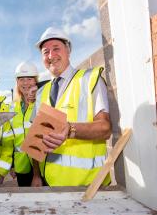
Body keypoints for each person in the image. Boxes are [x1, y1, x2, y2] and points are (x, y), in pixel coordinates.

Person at [31, 27, 111, 187]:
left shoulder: (89, 80)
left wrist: (70, 129)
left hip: (90, 184)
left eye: (56, 49)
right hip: (50, 181)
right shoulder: (42, 92)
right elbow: (36, 139)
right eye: (46, 52)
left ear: (68, 51)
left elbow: (105, 128)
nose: (51, 56)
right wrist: (36, 176)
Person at [4, 62, 38, 186]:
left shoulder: (43, 101)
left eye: (29, 79)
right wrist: (12, 165)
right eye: (22, 79)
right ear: (17, 82)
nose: (26, 83)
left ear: (36, 81)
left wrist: (38, 94)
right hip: (21, 165)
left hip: (42, 163)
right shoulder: (12, 107)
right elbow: (10, 138)